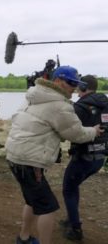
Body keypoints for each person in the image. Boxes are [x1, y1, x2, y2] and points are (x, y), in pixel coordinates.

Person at [5, 66, 103, 244]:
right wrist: (94, 131)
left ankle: (24, 238)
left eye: (77, 84)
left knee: (32, 200)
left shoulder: (33, 95)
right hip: (30, 160)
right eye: (71, 83)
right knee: (48, 208)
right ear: (58, 81)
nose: (74, 87)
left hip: (14, 155)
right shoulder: (60, 105)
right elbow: (76, 134)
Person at [61, 75, 108, 241]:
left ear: (83, 87)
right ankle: (70, 218)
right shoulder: (105, 103)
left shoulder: (80, 106)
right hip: (100, 157)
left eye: (78, 86)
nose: (76, 90)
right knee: (74, 187)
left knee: (68, 188)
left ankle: (75, 229)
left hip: (83, 157)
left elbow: (71, 131)